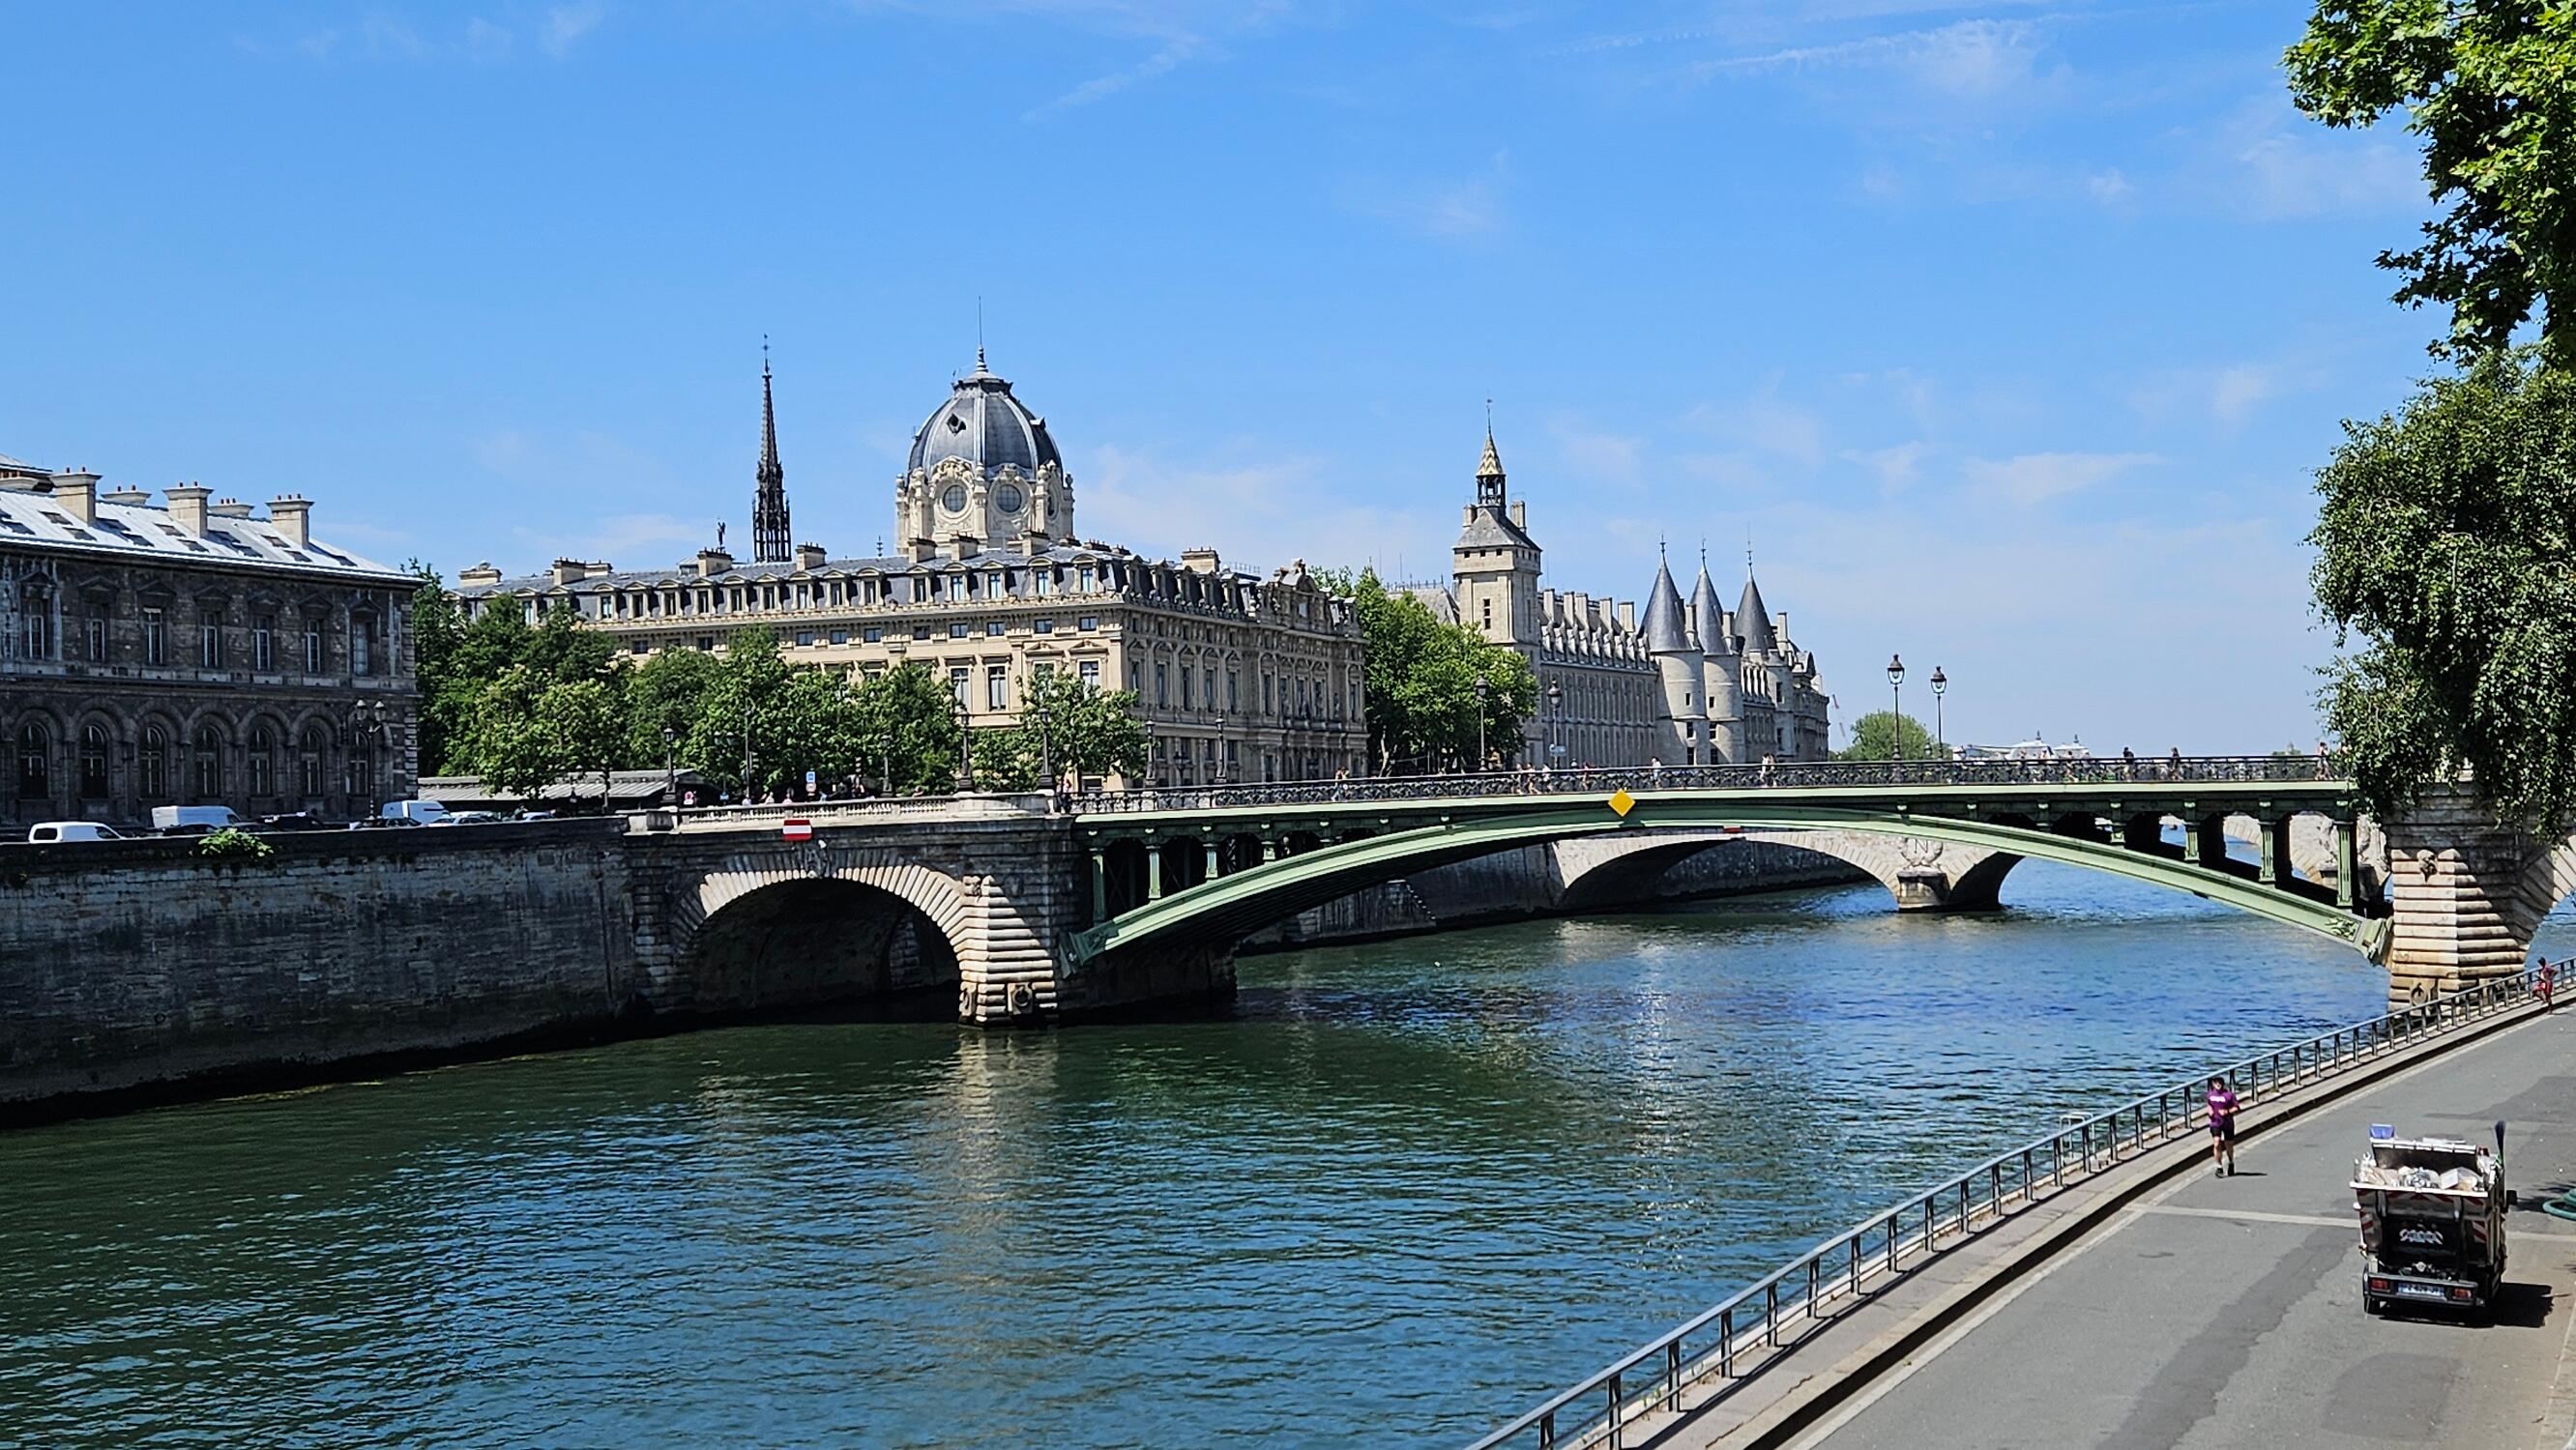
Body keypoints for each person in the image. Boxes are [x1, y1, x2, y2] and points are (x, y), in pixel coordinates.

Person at [2206, 1074, 2239, 1177]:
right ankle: (2219, 1166)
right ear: (2213, 1084)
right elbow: (2209, 1104)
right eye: (2216, 1082)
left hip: (2227, 1122)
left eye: (2220, 1082)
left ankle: (2231, 1162)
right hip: (2215, 1122)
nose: (2218, 1084)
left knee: (2229, 1145)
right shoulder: (2210, 1095)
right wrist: (2209, 1111)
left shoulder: (2229, 1095)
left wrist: (2227, 1111)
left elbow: (2236, 1107)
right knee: (2216, 1143)